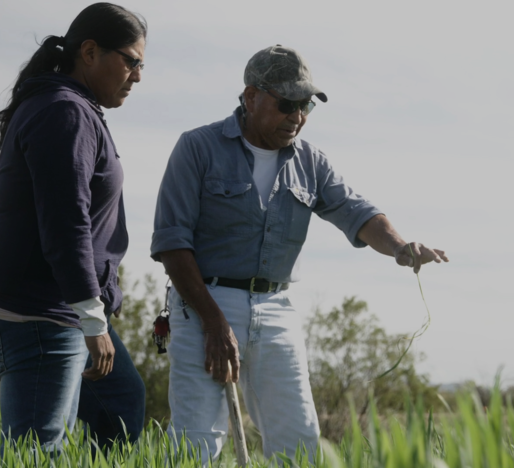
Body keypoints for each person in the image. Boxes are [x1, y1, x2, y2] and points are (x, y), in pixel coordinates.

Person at [151, 44, 448, 463]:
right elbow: (171, 243)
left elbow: (357, 212)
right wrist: (214, 323)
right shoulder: (197, 147)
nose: (297, 116)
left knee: (299, 443)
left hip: (277, 309)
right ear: (251, 97)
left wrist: (401, 247)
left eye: (306, 105)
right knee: (197, 441)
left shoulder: (311, 161)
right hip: (205, 304)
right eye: (287, 104)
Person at [0, 3, 147, 451]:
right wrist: (92, 316)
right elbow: (65, 222)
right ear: (90, 52)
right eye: (131, 61)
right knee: (36, 448)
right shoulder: (64, 112)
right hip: (39, 310)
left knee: (119, 409)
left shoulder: (69, 108)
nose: (138, 76)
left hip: (61, 304)